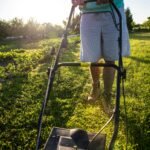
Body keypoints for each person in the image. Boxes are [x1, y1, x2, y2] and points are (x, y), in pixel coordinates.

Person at [71, 0, 130, 114]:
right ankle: (95, 88)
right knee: (92, 57)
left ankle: (107, 94)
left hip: (112, 9)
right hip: (87, 13)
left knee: (110, 57)